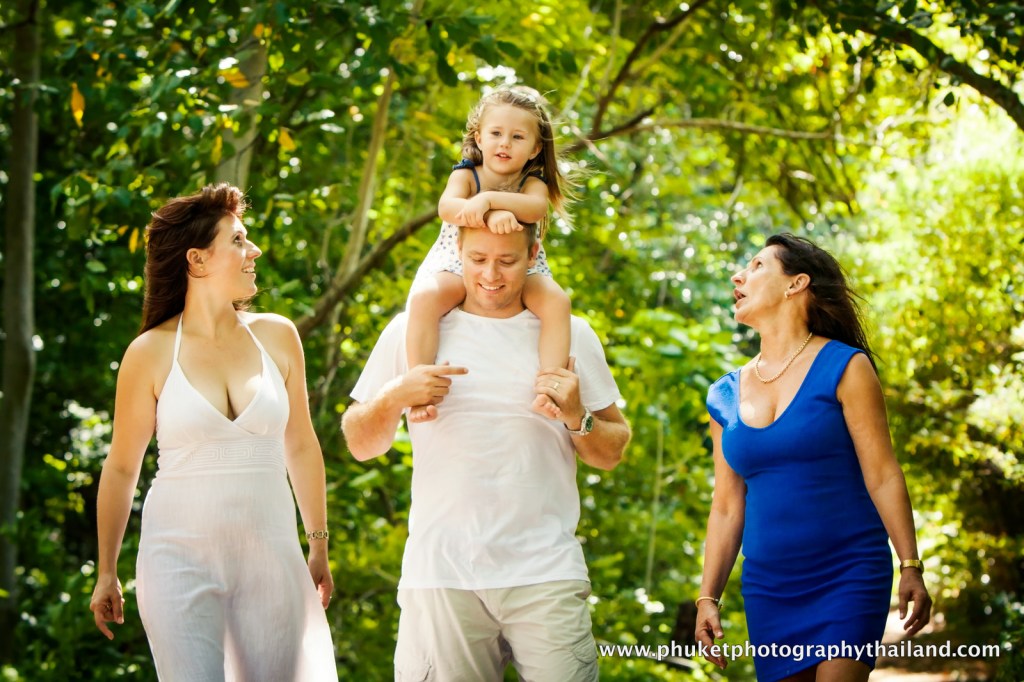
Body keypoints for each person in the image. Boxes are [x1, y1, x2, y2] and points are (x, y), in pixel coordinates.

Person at [342, 225, 631, 681]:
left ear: (534, 253)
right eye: (477, 259)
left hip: (546, 573)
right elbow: (360, 443)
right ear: (457, 252)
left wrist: (578, 416)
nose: (490, 274)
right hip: (441, 575)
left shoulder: (570, 333)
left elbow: (612, 449)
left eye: (507, 261)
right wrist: (397, 393)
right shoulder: (413, 330)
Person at [88, 184, 338, 681]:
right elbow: (121, 466)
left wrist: (318, 544)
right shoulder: (150, 352)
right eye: (240, 240)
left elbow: (302, 445)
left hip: (272, 560)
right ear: (197, 260)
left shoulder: (279, 336)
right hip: (176, 560)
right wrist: (107, 570)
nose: (255, 252)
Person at [695, 233, 932, 681]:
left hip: (849, 571)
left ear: (796, 284)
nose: (738, 275)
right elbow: (727, 506)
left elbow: (882, 474)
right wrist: (709, 596)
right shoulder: (723, 395)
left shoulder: (846, 367)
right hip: (770, 586)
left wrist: (910, 564)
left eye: (758, 265)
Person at [405, 85, 573, 423]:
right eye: (496, 133)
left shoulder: (532, 181)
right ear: (479, 137)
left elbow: (536, 208)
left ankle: (551, 390)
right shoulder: (467, 175)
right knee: (425, 298)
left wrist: (489, 200)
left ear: (535, 148)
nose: (505, 143)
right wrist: (489, 212)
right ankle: (419, 387)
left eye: (517, 137)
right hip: (459, 263)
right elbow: (447, 207)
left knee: (557, 302)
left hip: (520, 270)